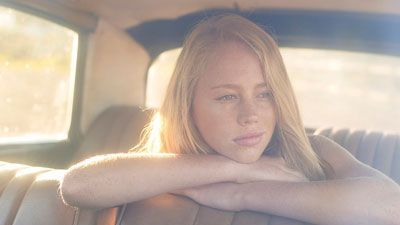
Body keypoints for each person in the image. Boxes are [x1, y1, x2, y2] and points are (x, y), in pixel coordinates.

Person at [60, 14, 400, 225]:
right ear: (187, 103)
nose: (251, 116)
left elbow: (392, 208)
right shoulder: (160, 169)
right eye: (227, 96)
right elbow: (78, 185)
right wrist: (236, 169)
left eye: (265, 94)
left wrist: (242, 195)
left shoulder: (316, 153)